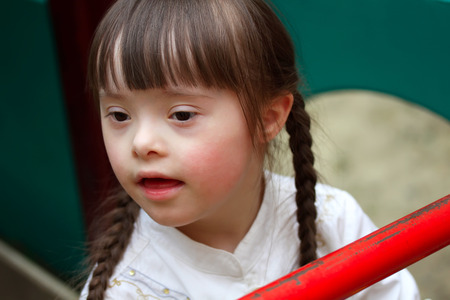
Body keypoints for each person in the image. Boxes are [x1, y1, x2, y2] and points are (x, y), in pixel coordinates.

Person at [80, 0, 419, 299]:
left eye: (181, 115)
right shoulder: (126, 289)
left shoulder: (335, 222)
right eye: (119, 115)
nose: (141, 143)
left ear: (268, 118)